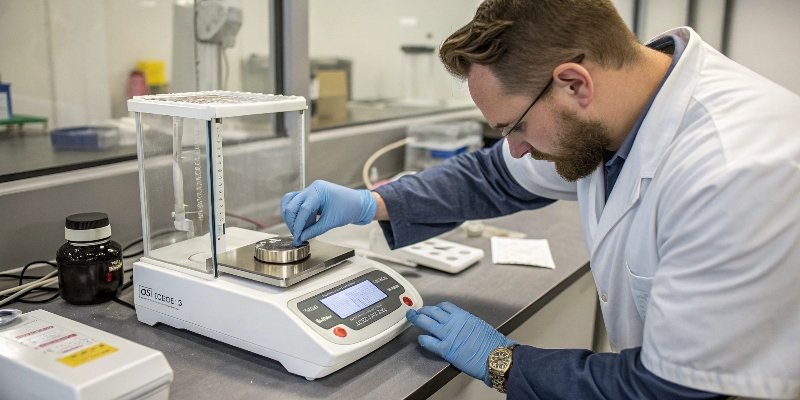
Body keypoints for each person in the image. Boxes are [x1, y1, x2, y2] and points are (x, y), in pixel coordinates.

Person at [281, 0, 800, 398]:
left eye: (517, 125)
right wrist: (374, 202)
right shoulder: (617, 112)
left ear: (574, 84)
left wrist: (504, 360)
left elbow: (670, 390)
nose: (517, 147)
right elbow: (493, 176)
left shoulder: (736, 172)